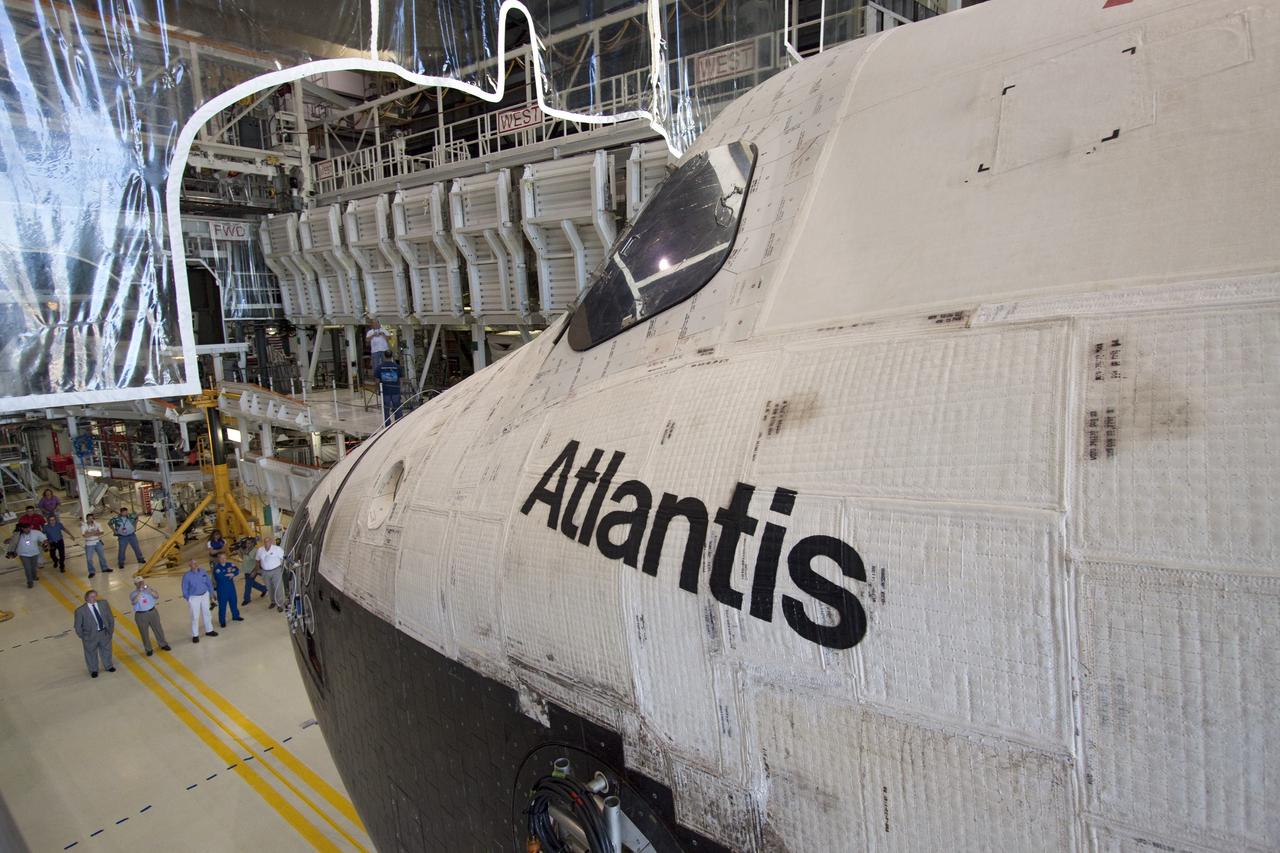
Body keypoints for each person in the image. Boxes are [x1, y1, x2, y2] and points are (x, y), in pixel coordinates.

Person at [73, 589, 115, 678]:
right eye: (92, 596)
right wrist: (84, 637)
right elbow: (77, 626)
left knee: (107, 650)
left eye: (95, 596)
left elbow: (110, 617)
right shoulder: (80, 611)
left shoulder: (103, 604)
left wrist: (110, 630)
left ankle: (108, 666)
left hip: (104, 632)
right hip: (90, 636)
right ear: (86, 598)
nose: (94, 598)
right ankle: (93, 670)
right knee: (91, 653)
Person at [130, 576, 170, 656]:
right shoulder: (133, 594)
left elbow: (156, 596)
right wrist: (140, 591)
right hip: (141, 615)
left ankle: (163, 644)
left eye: (142, 582)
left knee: (158, 629)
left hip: (152, 612)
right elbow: (134, 601)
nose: (141, 584)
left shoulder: (149, 590)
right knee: (144, 633)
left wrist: (148, 590)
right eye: (138, 583)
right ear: (135, 584)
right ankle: (148, 649)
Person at [181, 560, 218, 642]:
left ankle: (209, 630)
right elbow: (184, 589)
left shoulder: (203, 571)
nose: (196, 564)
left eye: (196, 563)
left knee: (207, 613)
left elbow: (208, 582)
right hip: (194, 598)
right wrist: (189, 599)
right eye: (193, 563)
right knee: (195, 616)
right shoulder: (187, 576)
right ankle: (195, 635)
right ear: (189, 565)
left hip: (205, 595)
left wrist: (211, 593)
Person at [255, 536, 286, 612]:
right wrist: (258, 569)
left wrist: (282, 568)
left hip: (276, 571)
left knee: (278, 588)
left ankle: (280, 604)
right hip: (265, 572)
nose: (266, 543)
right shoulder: (260, 550)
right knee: (269, 588)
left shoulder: (277, 549)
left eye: (268, 541)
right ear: (263, 542)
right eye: (265, 541)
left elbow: (284, 558)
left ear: (271, 542)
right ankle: (273, 602)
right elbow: (257, 560)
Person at [212, 557, 244, 628]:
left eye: (224, 558)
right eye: (221, 558)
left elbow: (237, 570)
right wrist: (231, 574)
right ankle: (222, 621)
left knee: (234, 602)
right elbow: (221, 577)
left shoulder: (230, 564)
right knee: (222, 606)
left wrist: (232, 574)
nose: (223, 559)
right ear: (218, 559)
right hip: (222, 590)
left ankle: (236, 616)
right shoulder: (217, 568)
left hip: (231, 588)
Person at [12, 523, 46, 588]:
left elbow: (44, 539)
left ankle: (34, 576)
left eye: (29, 528)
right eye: (26, 528)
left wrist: (45, 543)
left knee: (34, 567)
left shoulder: (36, 532)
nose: (28, 530)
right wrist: (10, 540)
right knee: (27, 568)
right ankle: (30, 582)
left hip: (35, 554)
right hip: (23, 555)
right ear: (22, 529)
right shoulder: (18, 535)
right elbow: (10, 542)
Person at [81, 512, 110, 577]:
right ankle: (91, 571)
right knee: (89, 559)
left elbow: (102, 532)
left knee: (102, 556)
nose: (91, 520)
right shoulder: (84, 526)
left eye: (92, 518)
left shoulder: (97, 524)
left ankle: (104, 568)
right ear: (87, 519)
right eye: (89, 518)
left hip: (98, 542)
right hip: (89, 544)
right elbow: (84, 535)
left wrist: (89, 533)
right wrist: (95, 532)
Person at [378, 356, 404, 426]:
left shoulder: (380, 367)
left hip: (385, 391)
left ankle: (387, 425)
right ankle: (399, 423)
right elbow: (401, 379)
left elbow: (376, 380)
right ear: (391, 356)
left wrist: (379, 388)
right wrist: (400, 389)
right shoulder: (397, 367)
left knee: (386, 409)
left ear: (384, 356)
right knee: (397, 408)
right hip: (396, 391)